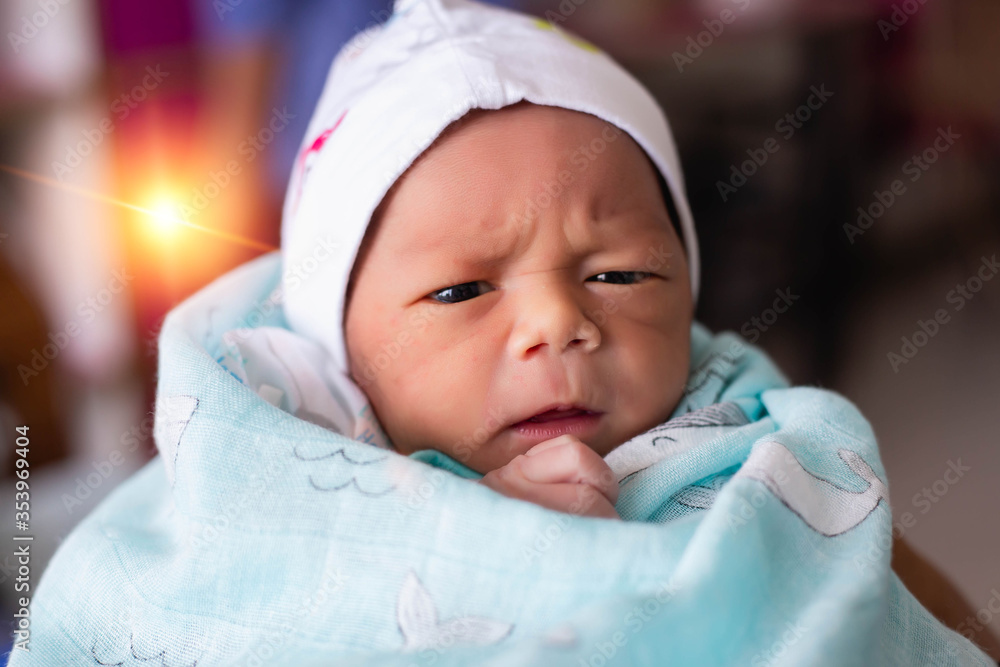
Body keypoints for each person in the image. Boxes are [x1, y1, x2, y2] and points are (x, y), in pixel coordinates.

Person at [13, 0, 998, 664]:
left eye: (619, 274)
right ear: (339, 353)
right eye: (459, 291)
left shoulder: (766, 455)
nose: (559, 322)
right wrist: (477, 539)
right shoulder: (266, 490)